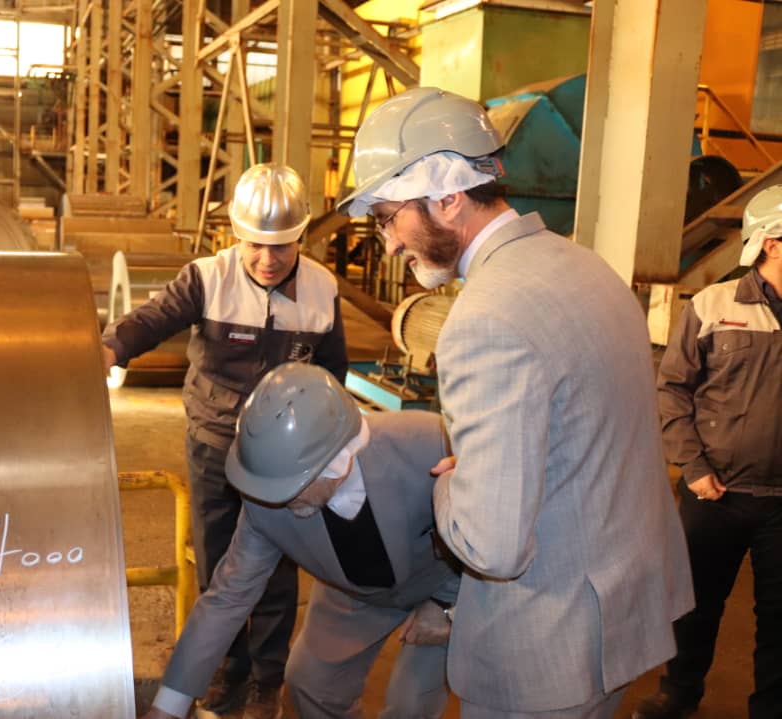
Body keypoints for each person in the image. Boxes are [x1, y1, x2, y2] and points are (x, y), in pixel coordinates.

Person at [337, 86, 694, 718]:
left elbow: (492, 547)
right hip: (621, 611)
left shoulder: (484, 319)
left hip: (546, 647)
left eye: (389, 217)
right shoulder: (586, 267)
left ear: (448, 197)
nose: (388, 243)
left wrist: (452, 485)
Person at [103, 163, 349, 718]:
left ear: (301, 237)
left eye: (281, 246)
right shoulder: (207, 277)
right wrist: (110, 347)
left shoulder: (322, 290)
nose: (267, 259)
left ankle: (267, 680)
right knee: (218, 564)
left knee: (278, 567)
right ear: (235, 234)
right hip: (214, 444)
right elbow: (155, 317)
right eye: (255, 244)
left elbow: (334, 373)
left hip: (283, 458)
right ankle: (227, 670)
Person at [139, 362, 460, 719]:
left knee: (411, 705)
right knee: (310, 685)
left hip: (446, 586)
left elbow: (500, 530)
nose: (275, 501)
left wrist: (447, 608)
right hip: (354, 591)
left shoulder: (433, 444)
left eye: (291, 487)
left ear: (338, 461)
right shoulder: (266, 495)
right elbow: (228, 598)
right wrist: (166, 710)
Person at [632, 185, 782, 719]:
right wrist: (693, 467)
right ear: (771, 244)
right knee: (696, 604)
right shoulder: (713, 306)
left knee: (780, 617)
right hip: (715, 491)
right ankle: (679, 692)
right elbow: (673, 390)